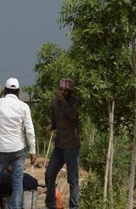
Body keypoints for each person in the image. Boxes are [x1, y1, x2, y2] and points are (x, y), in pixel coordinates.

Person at [0, 77, 36, 209]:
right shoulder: (24, 106)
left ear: (5, 90)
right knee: (17, 182)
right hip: (18, 149)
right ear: (18, 91)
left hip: (1, 149)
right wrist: (33, 151)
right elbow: (30, 130)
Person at [45, 78, 81, 209]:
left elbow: (72, 116)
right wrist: (50, 126)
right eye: (61, 90)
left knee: (72, 179)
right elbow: (54, 122)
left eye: (65, 91)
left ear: (70, 92)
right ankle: (50, 204)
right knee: (49, 174)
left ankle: (74, 206)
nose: (62, 92)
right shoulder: (54, 103)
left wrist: (62, 100)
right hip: (59, 145)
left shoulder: (74, 101)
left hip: (72, 145)